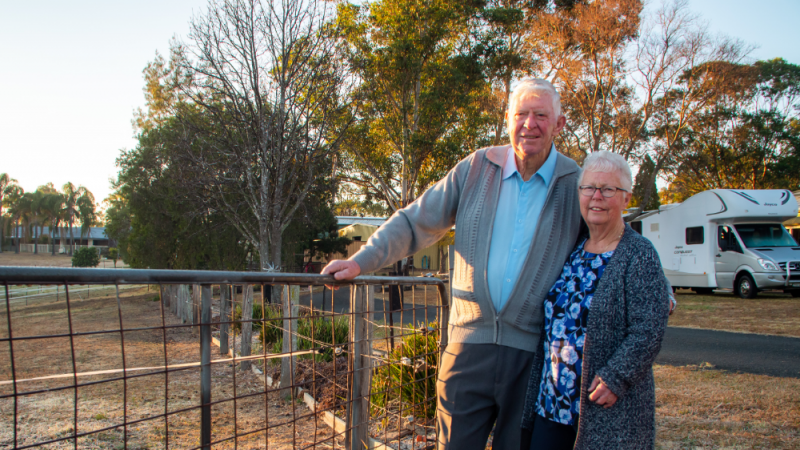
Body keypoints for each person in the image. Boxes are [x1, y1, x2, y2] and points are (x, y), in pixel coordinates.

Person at [322, 79, 583, 450]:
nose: (529, 124)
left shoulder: (575, 182)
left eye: (541, 115)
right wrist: (362, 261)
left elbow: (611, 237)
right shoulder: (477, 168)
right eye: (521, 114)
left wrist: (649, 284)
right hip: (466, 348)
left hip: (533, 356)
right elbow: (415, 222)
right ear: (507, 119)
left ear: (559, 123)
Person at [519, 151, 670, 450]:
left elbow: (649, 327)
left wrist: (617, 377)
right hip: (552, 403)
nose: (596, 196)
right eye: (588, 188)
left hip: (605, 406)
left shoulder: (639, 254)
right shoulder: (572, 248)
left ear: (626, 199)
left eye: (608, 189)